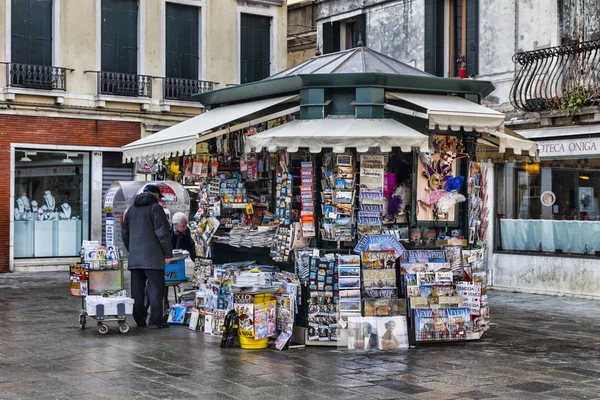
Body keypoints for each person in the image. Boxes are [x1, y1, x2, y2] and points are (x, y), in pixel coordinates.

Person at [122, 184, 173, 329]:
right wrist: (167, 253)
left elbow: (124, 234)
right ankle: (156, 320)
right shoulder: (155, 208)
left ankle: (139, 320)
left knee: (137, 292)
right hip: (153, 258)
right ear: (155, 195)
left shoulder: (131, 209)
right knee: (156, 289)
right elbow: (162, 233)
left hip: (135, 258)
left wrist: (131, 250)